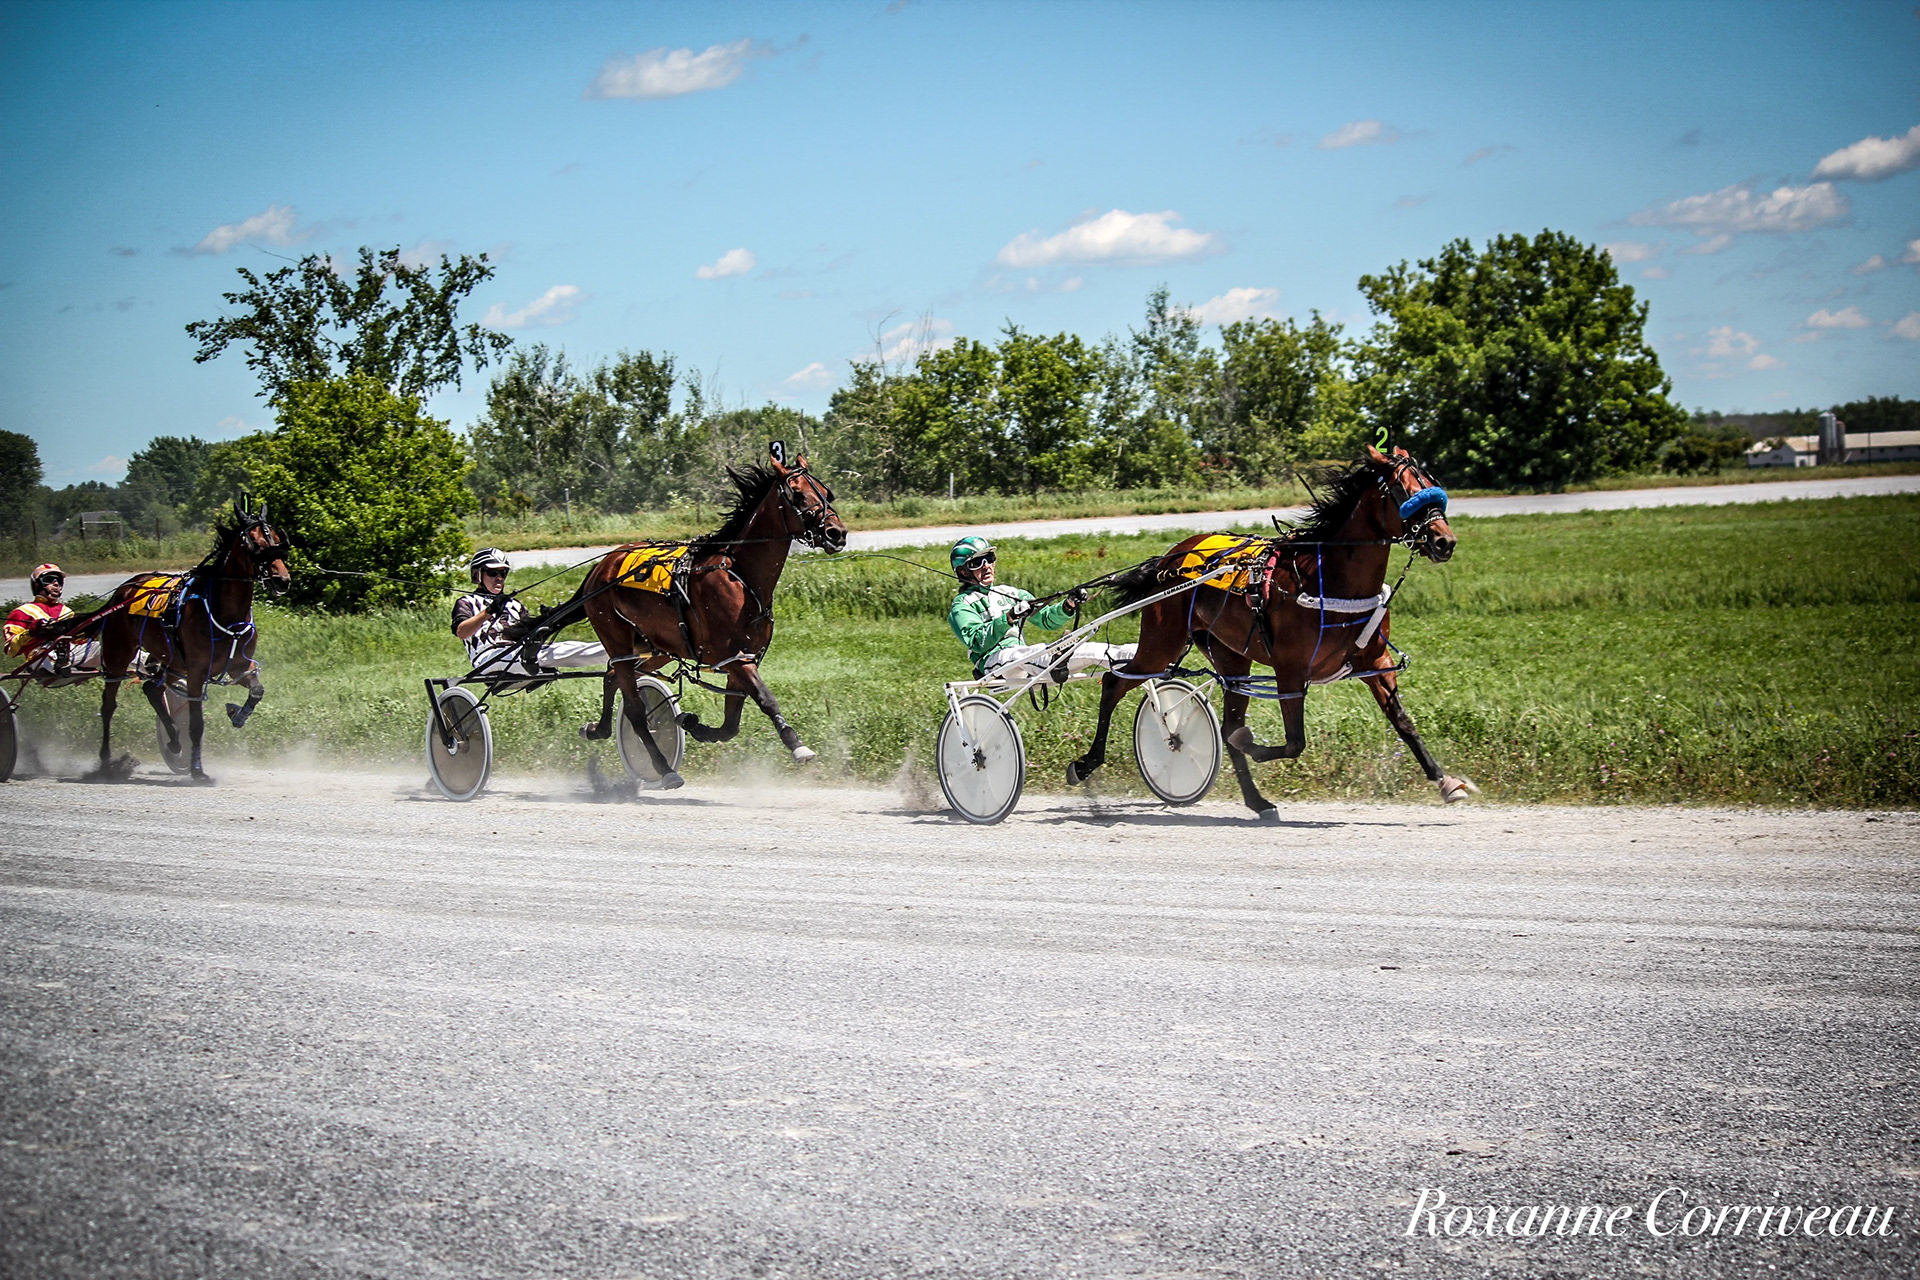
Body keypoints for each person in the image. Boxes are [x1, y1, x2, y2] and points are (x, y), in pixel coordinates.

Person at [946, 536, 1134, 685]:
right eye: (977, 562)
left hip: (1026, 661)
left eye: (989, 558)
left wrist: (1067, 605)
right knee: (1026, 653)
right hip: (994, 664)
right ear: (964, 572)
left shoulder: (1011, 593)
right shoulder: (961, 606)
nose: (987, 566)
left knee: (1087, 649)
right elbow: (978, 642)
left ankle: (1133, 656)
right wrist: (1009, 617)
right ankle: (1055, 657)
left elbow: (1045, 619)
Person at [451, 548, 606, 679]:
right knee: (538, 655)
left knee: (568, 648)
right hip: (488, 657)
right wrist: (488, 612)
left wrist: (547, 618)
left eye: (503, 573)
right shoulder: (466, 602)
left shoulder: (514, 604)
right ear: (478, 574)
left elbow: (524, 633)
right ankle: (529, 659)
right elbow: (461, 632)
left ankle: (618, 652)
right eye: (492, 573)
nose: (499, 578)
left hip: (519, 651)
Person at [4, 563, 100, 677]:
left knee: (104, 646)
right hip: (39, 658)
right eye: (49, 580)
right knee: (48, 652)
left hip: (70, 654)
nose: (56, 583)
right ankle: (63, 664)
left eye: (59, 581)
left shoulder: (66, 611)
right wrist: (31, 633)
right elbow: (10, 649)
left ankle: (119, 665)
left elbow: (79, 642)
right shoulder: (22, 612)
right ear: (37, 585)